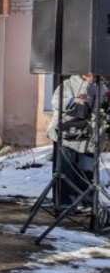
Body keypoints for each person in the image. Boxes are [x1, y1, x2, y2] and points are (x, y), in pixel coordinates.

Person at [46, 73, 107, 209]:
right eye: (88, 75)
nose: (91, 78)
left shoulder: (102, 88)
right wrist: (73, 100)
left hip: (91, 138)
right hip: (69, 136)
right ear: (83, 74)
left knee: (87, 171)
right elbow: (56, 103)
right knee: (67, 170)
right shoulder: (68, 84)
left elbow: (103, 109)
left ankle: (86, 203)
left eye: (94, 76)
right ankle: (65, 204)